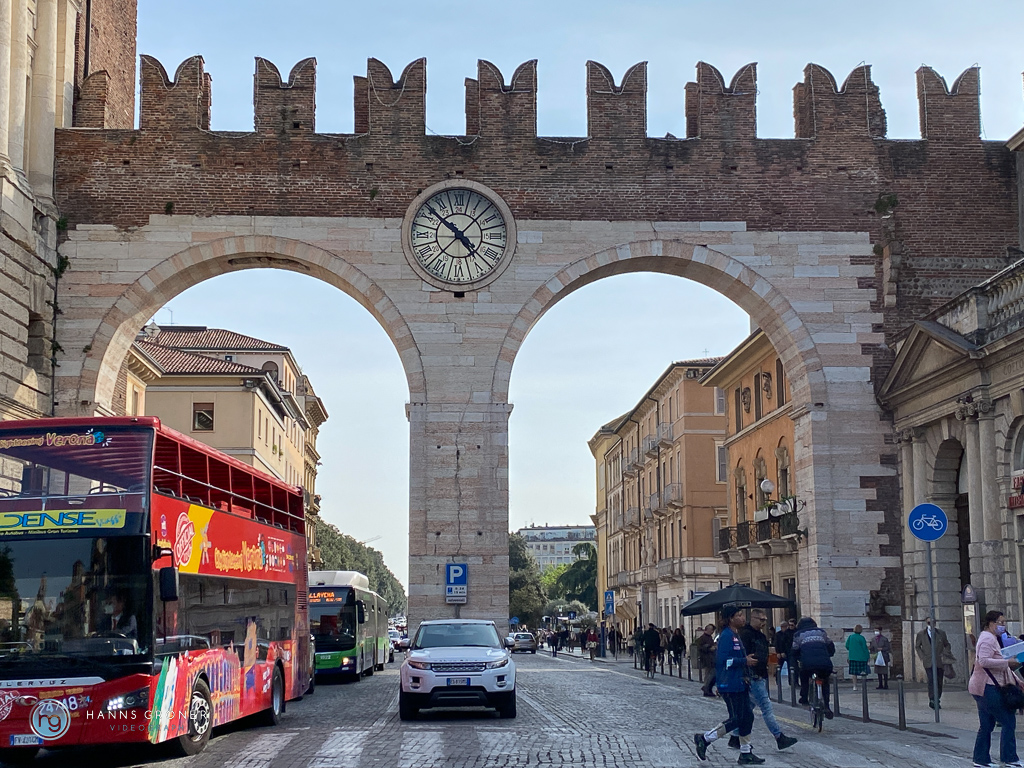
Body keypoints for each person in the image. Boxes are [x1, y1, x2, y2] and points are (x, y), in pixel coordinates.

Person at [693, 605, 764, 765]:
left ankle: (746, 752)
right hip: (730, 683)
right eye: (738, 615)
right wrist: (743, 661)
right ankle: (704, 738)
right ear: (730, 619)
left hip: (740, 682)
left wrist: (746, 661)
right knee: (736, 718)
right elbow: (724, 661)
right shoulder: (725, 636)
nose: (742, 618)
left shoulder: (735, 635)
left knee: (747, 717)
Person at [729, 608, 799, 752]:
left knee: (747, 709)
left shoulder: (760, 635)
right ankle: (779, 737)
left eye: (765, 620)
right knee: (766, 707)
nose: (764, 623)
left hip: (760, 675)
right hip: (753, 676)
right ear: (753, 618)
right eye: (761, 620)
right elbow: (741, 655)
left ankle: (734, 737)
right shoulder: (745, 634)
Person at [969, 609, 1023, 768]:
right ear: (991, 623)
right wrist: (1007, 663)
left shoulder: (994, 638)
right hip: (987, 687)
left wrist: (1017, 680)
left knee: (986, 724)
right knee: (1008, 720)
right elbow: (984, 661)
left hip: (983, 687)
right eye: (1001, 622)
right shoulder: (987, 639)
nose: (1003, 626)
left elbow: (1000, 665)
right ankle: (1009, 758)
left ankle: (980, 759)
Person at [791, 616, 835, 718]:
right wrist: (829, 654)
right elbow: (830, 645)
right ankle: (827, 706)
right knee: (825, 682)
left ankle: (804, 698)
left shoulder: (798, 635)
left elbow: (794, 650)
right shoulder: (821, 632)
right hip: (824, 663)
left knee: (805, 677)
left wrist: (798, 659)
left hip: (808, 663)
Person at [915, 617, 953, 710]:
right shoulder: (921, 634)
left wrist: (946, 652)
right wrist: (922, 656)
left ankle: (937, 698)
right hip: (928, 661)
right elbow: (917, 646)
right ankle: (932, 699)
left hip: (939, 660)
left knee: (939, 680)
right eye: (928, 623)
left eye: (932, 623)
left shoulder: (941, 633)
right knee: (931, 679)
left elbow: (947, 644)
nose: (930, 625)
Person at [845, 625, 870, 691]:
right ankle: (863, 685)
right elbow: (865, 648)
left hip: (852, 657)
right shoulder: (862, 638)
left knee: (854, 673)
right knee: (863, 672)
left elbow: (847, 646)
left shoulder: (850, 637)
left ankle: (855, 686)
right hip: (862, 657)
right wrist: (868, 656)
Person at [698, 624, 718, 696]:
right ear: (708, 629)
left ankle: (707, 688)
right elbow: (700, 647)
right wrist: (709, 648)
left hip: (711, 659)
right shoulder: (703, 638)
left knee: (712, 675)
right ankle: (706, 688)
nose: (712, 631)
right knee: (709, 675)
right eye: (711, 630)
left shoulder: (710, 638)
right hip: (707, 660)